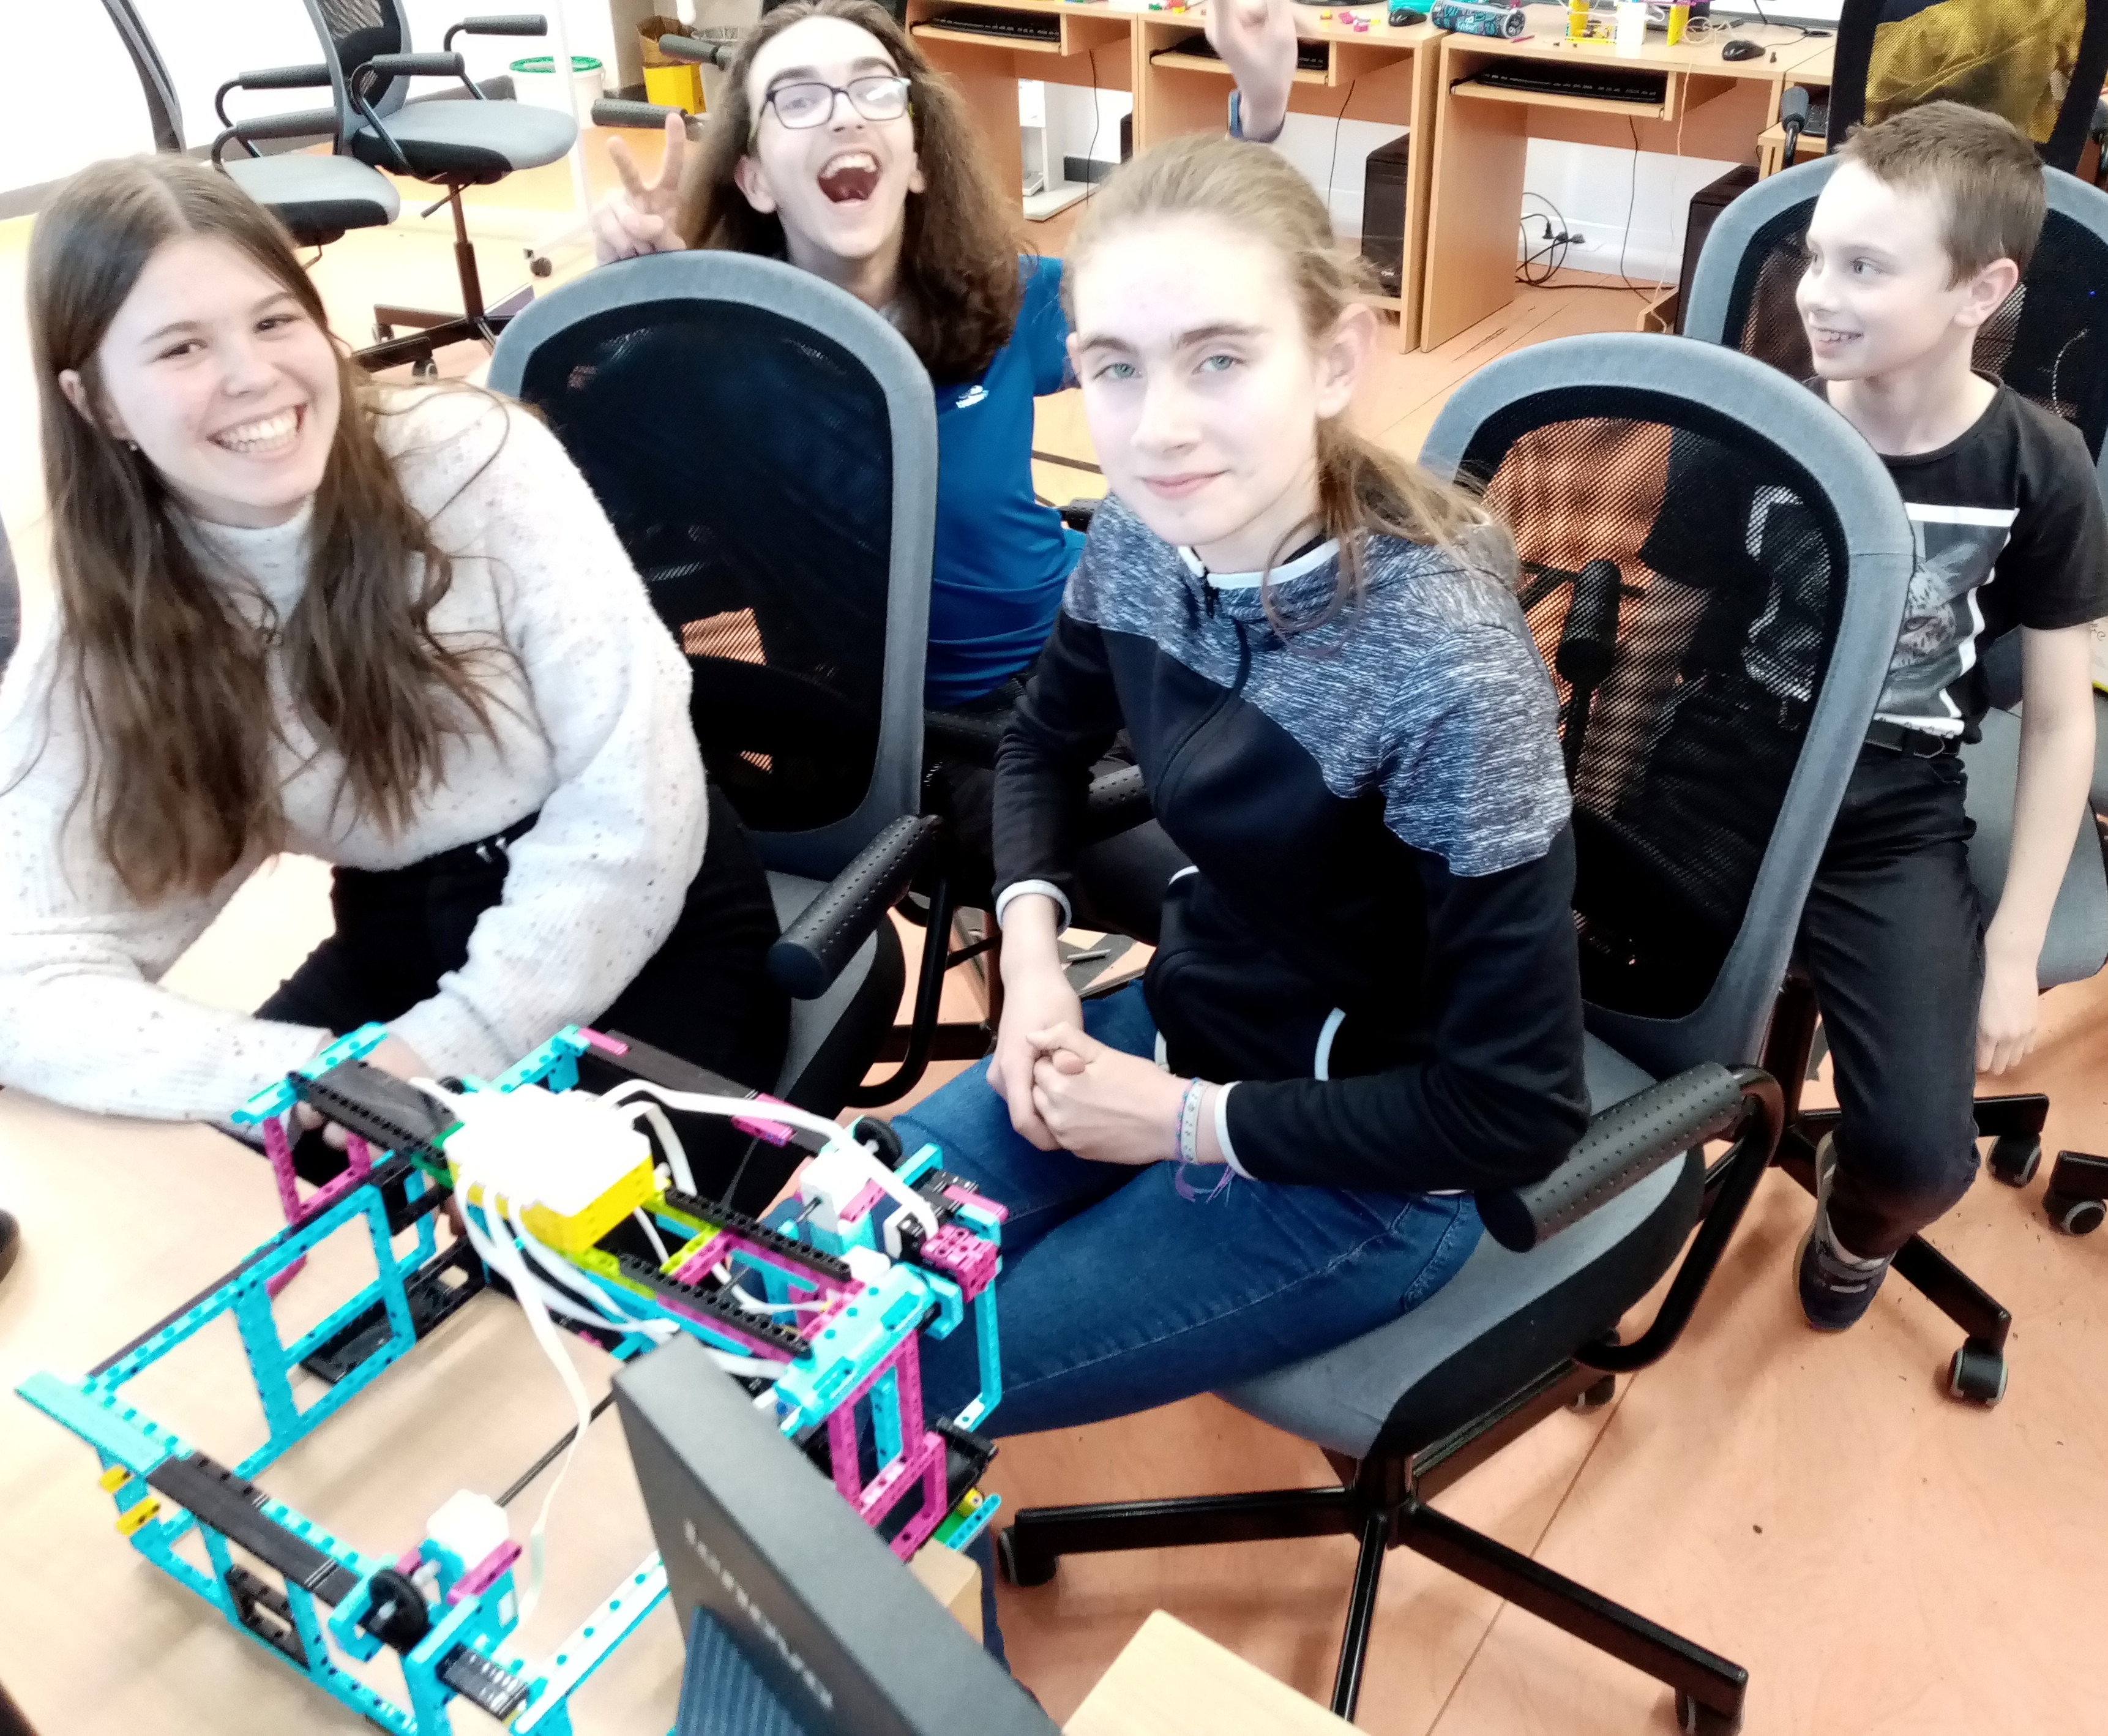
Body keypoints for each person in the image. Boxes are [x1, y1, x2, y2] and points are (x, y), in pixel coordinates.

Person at [884, 134, 1590, 1648]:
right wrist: (1032, 963)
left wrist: (1177, 1124)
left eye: (1219, 359)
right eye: (1115, 369)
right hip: (1193, 1018)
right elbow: (1039, 743)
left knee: (894, 1381)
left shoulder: (1448, 672)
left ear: (1336, 358)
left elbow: (1516, 1113)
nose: (1158, 427)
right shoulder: (1149, 535)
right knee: (824, 1250)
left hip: (1369, 1164)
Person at [0, 156, 788, 1151]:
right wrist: (298, 1077)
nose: (251, 375)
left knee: (538, 1239)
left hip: (639, 911)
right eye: (182, 346)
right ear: (97, 403)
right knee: (233, 1196)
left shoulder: (471, 463)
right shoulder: (111, 613)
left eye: (274, 321)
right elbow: (20, 963)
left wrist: (444, 1052)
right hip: (399, 933)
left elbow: (637, 798)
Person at [592, 0, 1296, 711]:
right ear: (756, 181)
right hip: (944, 726)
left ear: (918, 162)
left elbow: (1182, 283)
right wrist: (629, 297)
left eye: (874, 88)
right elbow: (566, 465)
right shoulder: (715, 361)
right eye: (797, 99)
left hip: (1095, 637)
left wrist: (1261, 113)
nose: (844, 115)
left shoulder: (1000, 294)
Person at [1785, 102, 2106, 1328]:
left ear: (1982, 290)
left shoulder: (2037, 468)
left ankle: (1850, 1216)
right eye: (1814, 256)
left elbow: (2062, 721)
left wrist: (2012, 948)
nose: (1817, 294)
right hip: (1728, 780)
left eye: (1863, 267)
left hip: (1891, 804)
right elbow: (1665, 640)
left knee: (1923, 1163)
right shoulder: (1765, 424)